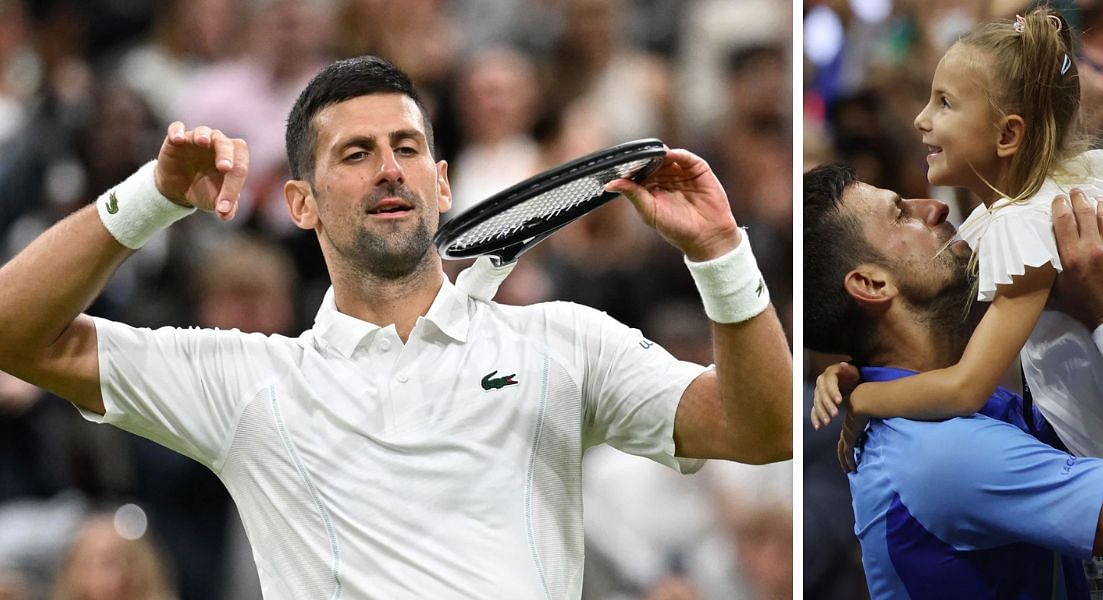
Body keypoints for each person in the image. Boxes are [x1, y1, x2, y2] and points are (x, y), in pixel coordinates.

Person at [0, 55, 791, 598]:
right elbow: (15, 332)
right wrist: (154, 196)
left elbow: (762, 430)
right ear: (301, 204)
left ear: (441, 186)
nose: (388, 167)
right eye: (354, 153)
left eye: (406, 147)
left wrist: (721, 254)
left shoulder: (562, 342)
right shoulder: (245, 382)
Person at [803, 163, 1103, 598]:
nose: (935, 207)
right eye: (901, 214)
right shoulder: (940, 455)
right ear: (871, 283)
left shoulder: (927, 404)